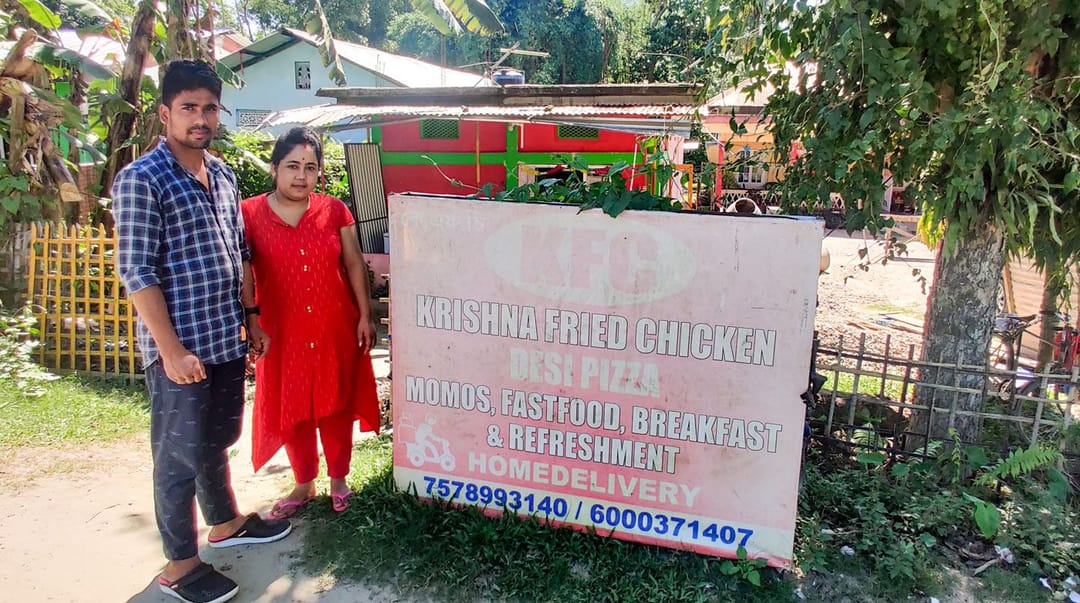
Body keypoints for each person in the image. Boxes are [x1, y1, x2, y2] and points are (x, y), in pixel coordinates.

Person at [113, 59, 291, 603]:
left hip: (224, 337)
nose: (200, 118)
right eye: (189, 108)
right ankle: (180, 565)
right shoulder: (141, 179)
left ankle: (224, 523)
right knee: (177, 456)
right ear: (166, 113)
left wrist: (251, 317)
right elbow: (137, 271)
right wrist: (169, 350)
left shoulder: (222, 174)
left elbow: (237, 252)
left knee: (217, 439)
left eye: (209, 108)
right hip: (181, 347)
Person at [240, 127, 381, 519]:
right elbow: (245, 272)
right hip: (281, 330)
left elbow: (354, 262)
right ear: (274, 168)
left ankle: (339, 481)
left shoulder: (335, 210)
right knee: (292, 406)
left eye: (310, 167)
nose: (301, 176)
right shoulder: (248, 214)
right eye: (292, 166)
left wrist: (365, 315)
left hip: (335, 323)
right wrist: (251, 321)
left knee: (335, 404)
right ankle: (304, 484)